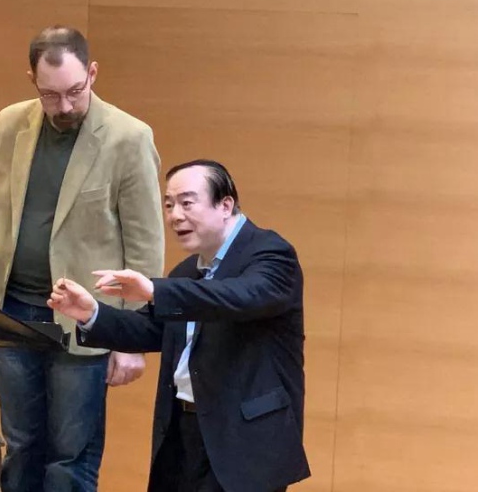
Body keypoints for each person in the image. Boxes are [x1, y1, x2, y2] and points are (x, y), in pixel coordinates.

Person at [0, 26, 165, 492]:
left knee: (70, 457)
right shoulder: (10, 124)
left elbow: (145, 246)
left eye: (75, 92)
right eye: (50, 95)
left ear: (93, 73)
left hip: (85, 321)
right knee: (21, 446)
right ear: (32, 81)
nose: (64, 106)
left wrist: (132, 338)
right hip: (13, 314)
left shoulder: (129, 138)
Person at [48, 159, 311, 492]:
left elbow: (240, 297)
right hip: (183, 434)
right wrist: (91, 313)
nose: (174, 216)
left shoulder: (272, 254)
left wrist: (155, 290)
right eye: (169, 205)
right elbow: (151, 329)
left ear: (225, 205)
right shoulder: (187, 272)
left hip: (244, 439)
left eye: (187, 203)